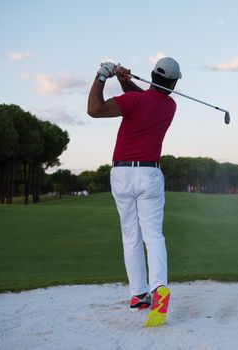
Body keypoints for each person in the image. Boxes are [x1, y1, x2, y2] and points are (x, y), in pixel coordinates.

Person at [87, 57, 182, 327]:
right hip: (150, 174)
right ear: (174, 83)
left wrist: (102, 75)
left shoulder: (134, 102)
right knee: (153, 236)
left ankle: (139, 295)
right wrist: (125, 80)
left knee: (131, 236)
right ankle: (158, 289)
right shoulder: (169, 106)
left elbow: (94, 109)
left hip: (122, 174)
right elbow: (149, 99)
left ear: (152, 75)